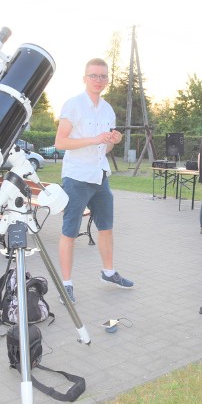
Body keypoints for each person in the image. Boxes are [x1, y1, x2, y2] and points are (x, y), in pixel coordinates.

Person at [53, 58, 134, 304]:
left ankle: (108, 273)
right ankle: (66, 284)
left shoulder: (108, 109)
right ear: (84, 78)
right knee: (70, 232)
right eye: (93, 76)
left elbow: (105, 148)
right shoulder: (73, 105)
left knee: (106, 227)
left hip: (100, 175)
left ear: (107, 80)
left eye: (102, 76)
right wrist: (94, 138)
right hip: (77, 177)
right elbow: (60, 143)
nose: (98, 80)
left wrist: (113, 141)